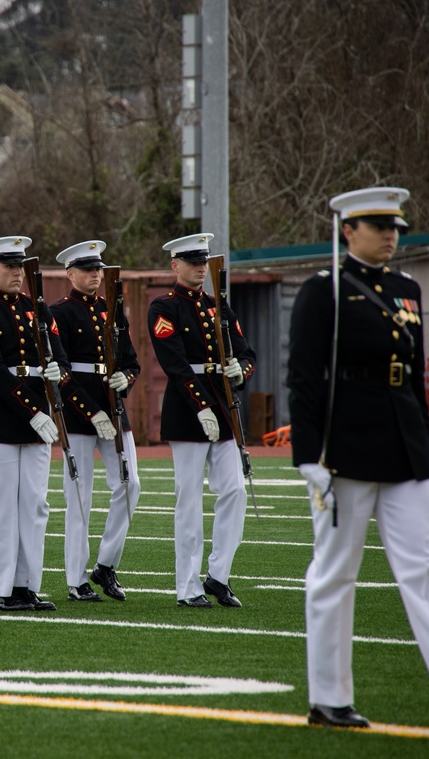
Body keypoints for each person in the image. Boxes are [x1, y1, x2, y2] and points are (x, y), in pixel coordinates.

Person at [288, 186, 429, 732]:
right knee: (335, 574)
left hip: (404, 444)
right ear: (347, 230)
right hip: (346, 448)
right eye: (379, 225)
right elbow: (305, 380)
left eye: (396, 227)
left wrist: (423, 441)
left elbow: (414, 370)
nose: (391, 235)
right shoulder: (325, 291)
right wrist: (309, 457)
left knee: (423, 567)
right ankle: (329, 698)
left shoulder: (407, 288)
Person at [0, 235, 75, 612]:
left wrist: (59, 371)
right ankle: (3, 588)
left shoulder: (36, 308)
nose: (16, 274)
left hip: (36, 416)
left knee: (36, 505)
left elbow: (58, 354)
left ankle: (27, 585)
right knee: (5, 505)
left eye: (19, 267)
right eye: (8, 267)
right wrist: (34, 409)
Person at [146, 234, 255, 609]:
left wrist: (241, 371)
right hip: (188, 411)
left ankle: (218, 575)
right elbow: (174, 364)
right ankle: (187, 586)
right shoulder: (164, 307)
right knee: (188, 500)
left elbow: (246, 353)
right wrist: (200, 407)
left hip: (224, 409)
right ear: (175, 265)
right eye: (191, 262)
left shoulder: (218, 306)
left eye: (202, 262)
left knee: (235, 491)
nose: (198, 268)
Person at [50, 240, 142, 603]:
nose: (95, 276)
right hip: (78, 414)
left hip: (113, 408)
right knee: (79, 497)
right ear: (70, 274)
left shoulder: (112, 312)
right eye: (87, 270)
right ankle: (76, 579)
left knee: (131, 483)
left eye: (98, 270)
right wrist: (92, 412)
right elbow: (62, 370)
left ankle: (105, 564)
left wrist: (127, 380)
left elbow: (130, 360)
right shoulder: (60, 312)